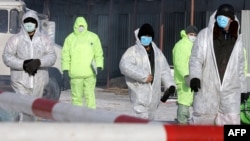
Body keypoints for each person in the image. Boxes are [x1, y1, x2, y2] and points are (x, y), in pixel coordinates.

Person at [189, 4, 247, 125]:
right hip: (207, 91)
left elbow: (240, 67)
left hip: (230, 94)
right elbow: (196, 59)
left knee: (230, 128)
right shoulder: (204, 35)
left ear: (232, 19)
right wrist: (195, 77)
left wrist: (243, 90)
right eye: (220, 16)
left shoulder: (237, 40)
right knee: (202, 130)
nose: (222, 19)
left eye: (226, 17)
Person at [2, 10, 57, 121]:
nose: (29, 24)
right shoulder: (15, 39)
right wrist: (22, 64)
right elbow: (7, 57)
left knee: (35, 110)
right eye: (27, 22)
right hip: (20, 81)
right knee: (23, 108)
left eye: (32, 22)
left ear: (36, 23)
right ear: (23, 23)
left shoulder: (44, 40)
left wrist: (39, 62)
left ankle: (33, 133)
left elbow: (52, 56)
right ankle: (22, 133)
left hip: (39, 81)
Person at [119, 23, 176, 120]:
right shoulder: (133, 51)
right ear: (140, 37)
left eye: (149, 36)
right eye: (144, 36)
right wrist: (144, 76)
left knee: (149, 125)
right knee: (140, 125)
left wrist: (170, 85)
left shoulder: (158, 53)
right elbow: (124, 66)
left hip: (154, 99)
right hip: (139, 96)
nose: (146, 38)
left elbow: (165, 70)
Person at [62, 16, 104, 109]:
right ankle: (77, 119)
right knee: (77, 98)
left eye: (82, 25)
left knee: (90, 97)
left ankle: (91, 118)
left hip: (90, 74)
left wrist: (99, 66)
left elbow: (98, 53)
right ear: (75, 26)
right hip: (75, 75)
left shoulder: (93, 37)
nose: (81, 27)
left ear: (85, 25)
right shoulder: (70, 39)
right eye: (79, 26)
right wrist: (65, 69)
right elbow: (65, 56)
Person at [172, 25, 198, 124]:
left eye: (195, 35)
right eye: (191, 34)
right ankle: (181, 122)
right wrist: (186, 76)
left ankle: (185, 121)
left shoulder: (191, 45)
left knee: (191, 101)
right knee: (184, 102)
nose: (193, 37)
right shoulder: (182, 45)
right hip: (184, 80)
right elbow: (180, 63)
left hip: (192, 79)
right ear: (186, 34)